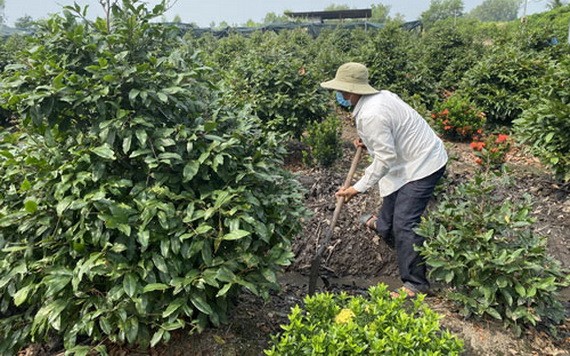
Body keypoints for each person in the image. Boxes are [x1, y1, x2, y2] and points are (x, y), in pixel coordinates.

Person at [320, 62, 448, 297]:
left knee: (405, 223)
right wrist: (368, 141)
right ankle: (381, 224)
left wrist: (356, 189)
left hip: (424, 163)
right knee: (388, 224)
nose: (338, 95)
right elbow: (387, 133)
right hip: (405, 162)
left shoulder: (371, 114)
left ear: (349, 91)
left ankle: (415, 284)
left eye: (339, 90)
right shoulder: (379, 98)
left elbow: (385, 158)